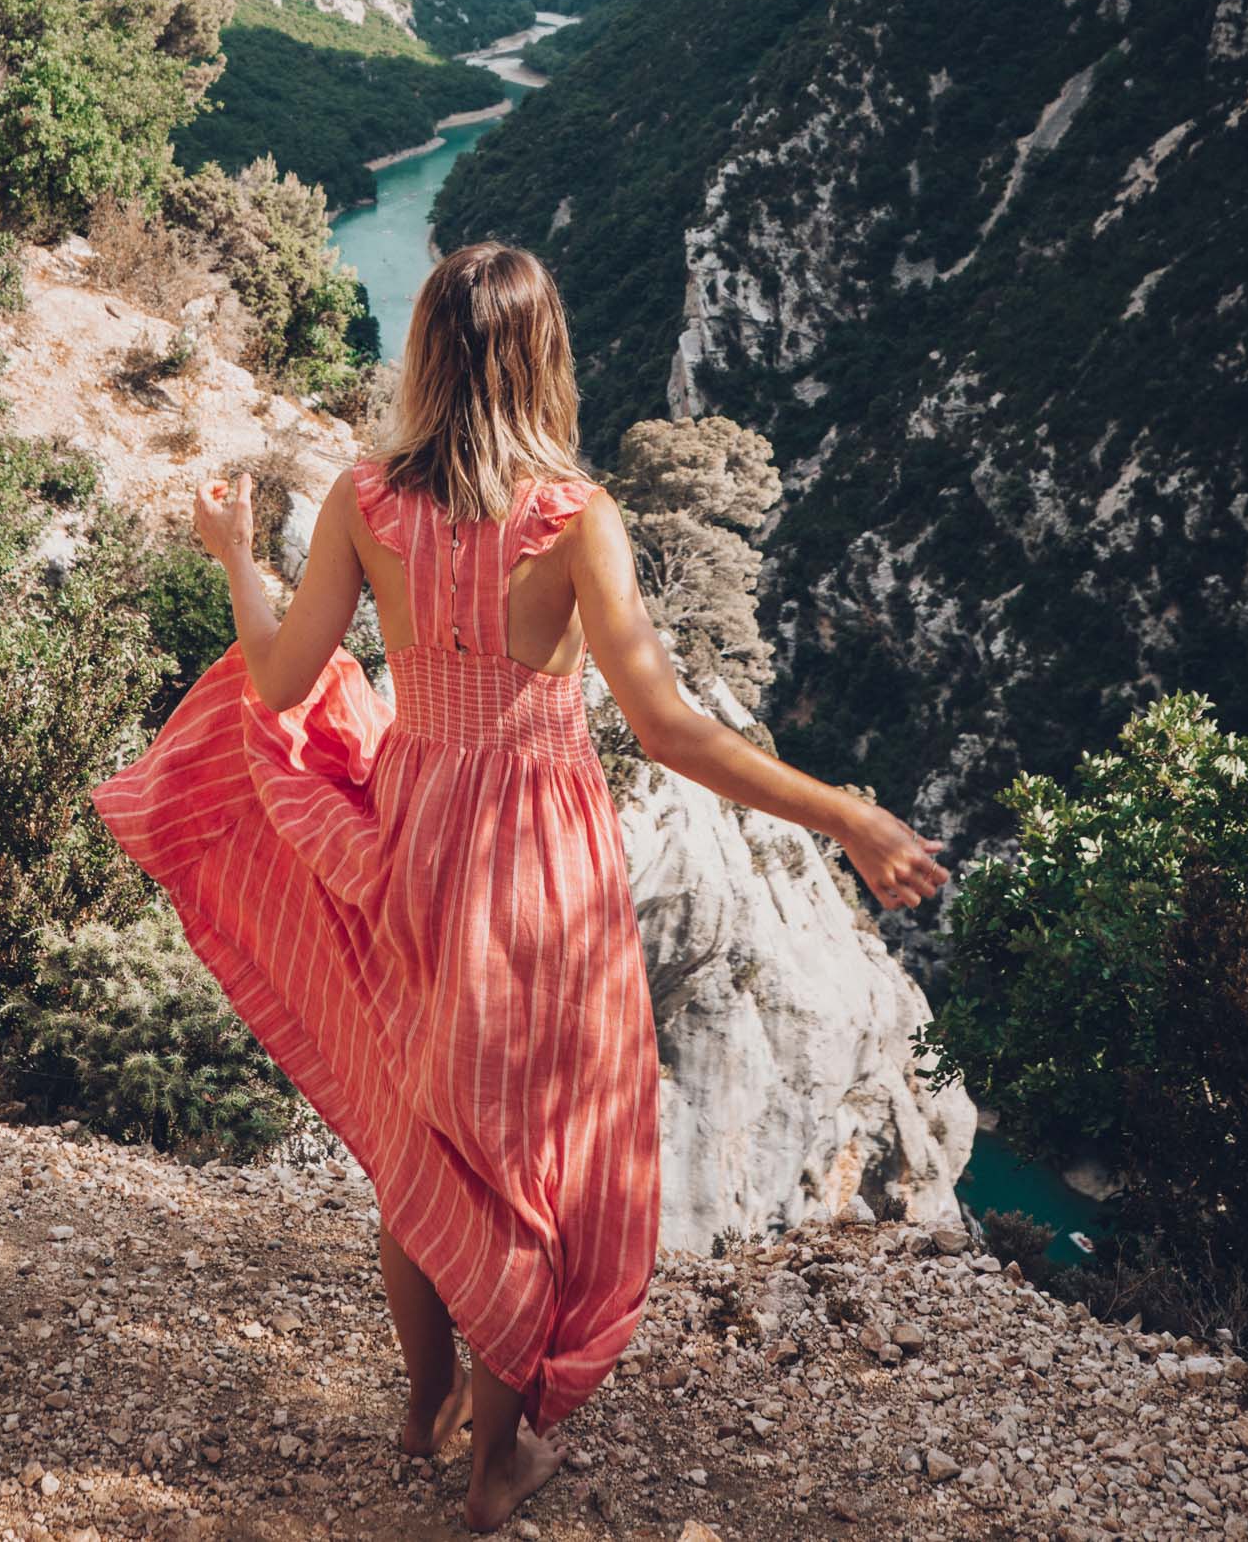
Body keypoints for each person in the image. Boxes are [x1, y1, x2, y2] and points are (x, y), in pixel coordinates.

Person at [93, 241, 948, 1532]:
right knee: (524, 1161)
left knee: (427, 1138)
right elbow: (667, 729)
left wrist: (234, 555)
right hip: (539, 862)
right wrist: (845, 813)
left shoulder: (365, 501)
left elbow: (275, 682)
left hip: (412, 837)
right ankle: (494, 1468)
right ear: (545, 357)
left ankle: (423, 1405)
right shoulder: (573, 518)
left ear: (426, 355)